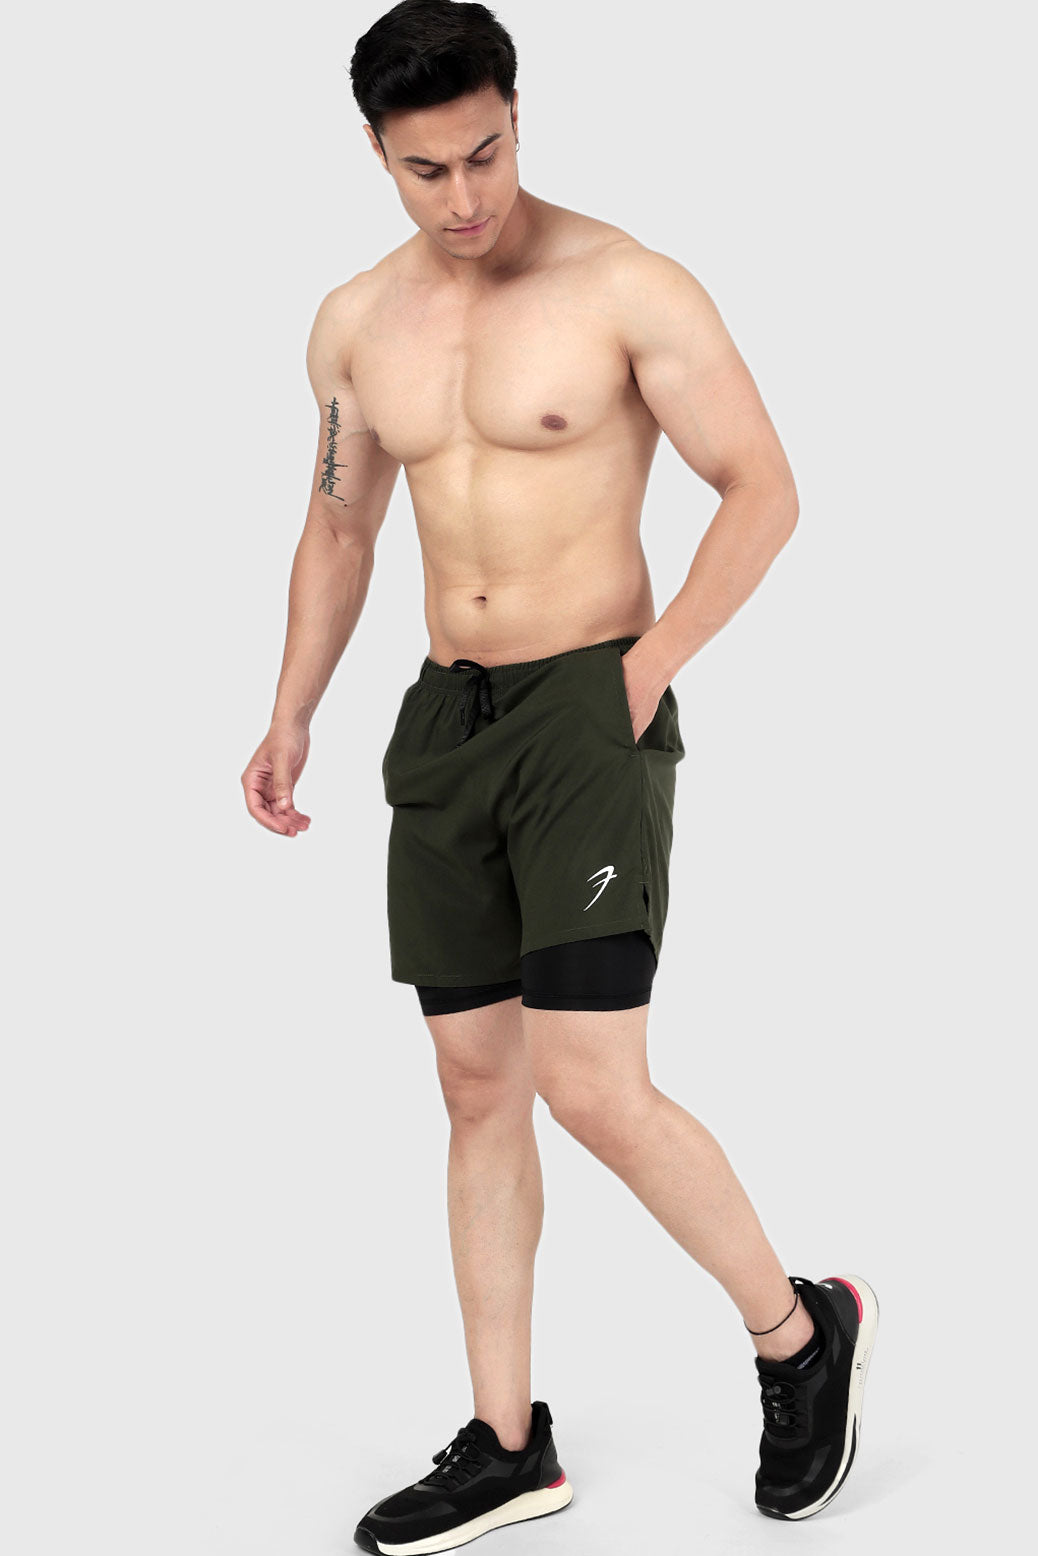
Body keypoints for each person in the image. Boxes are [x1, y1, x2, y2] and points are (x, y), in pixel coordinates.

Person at [240, 2, 879, 1550]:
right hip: (440, 723)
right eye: (426, 170)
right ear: (376, 156)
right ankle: (510, 1444)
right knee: (475, 1086)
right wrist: (290, 711)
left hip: (586, 708)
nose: (463, 196)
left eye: (485, 154)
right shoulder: (355, 322)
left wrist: (639, 675)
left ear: (518, 115)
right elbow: (339, 525)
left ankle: (796, 1335)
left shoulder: (623, 285)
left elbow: (761, 487)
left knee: (591, 1084)